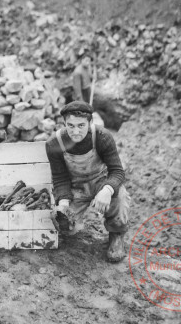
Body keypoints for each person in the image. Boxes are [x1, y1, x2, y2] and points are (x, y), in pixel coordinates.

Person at [46, 101, 130, 262]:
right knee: (66, 226)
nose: (75, 131)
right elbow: (60, 177)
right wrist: (63, 203)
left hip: (100, 181)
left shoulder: (102, 137)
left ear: (90, 123)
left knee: (119, 195)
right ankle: (73, 224)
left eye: (81, 125)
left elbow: (117, 171)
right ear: (64, 124)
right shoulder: (54, 143)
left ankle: (116, 235)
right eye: (70, 126)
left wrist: (107, 190)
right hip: (75, 186)